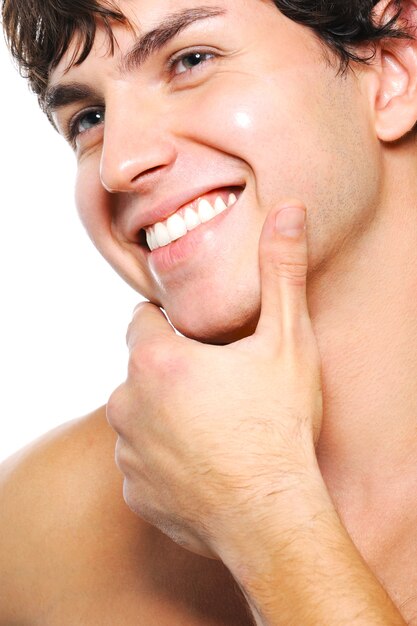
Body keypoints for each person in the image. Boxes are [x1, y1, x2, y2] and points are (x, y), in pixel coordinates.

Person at [1, 0, 416, 623]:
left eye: (191, 61)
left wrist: (267, 520)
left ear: (391, 72)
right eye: (89, 117)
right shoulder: (33, 530)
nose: (119, 164)